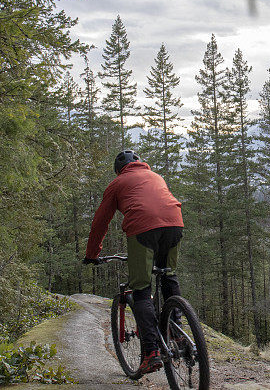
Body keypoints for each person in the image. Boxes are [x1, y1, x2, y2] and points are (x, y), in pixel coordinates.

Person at [83, 150, 184, 375]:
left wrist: (92, 254)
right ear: (139, 163)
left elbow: (100, 222)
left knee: (140, 288)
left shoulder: (117, 183)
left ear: (119, 170)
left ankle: (150, 352)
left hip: (142, 229)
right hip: (175, 224)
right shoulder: (156, 176)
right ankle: (177, 330)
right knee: (168, 275)